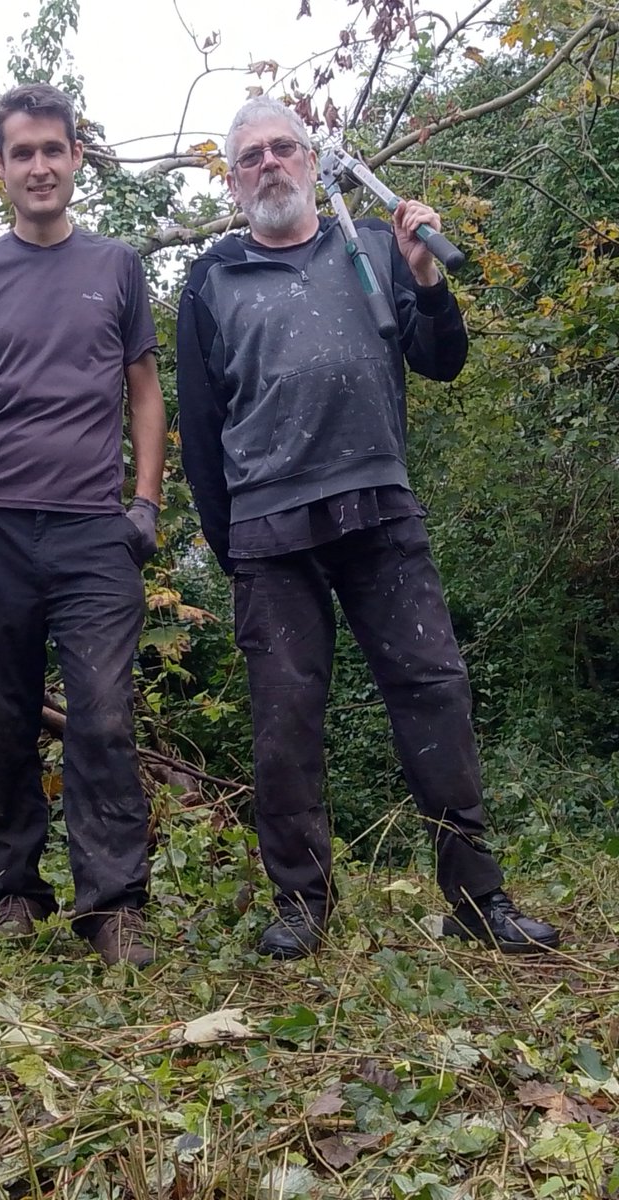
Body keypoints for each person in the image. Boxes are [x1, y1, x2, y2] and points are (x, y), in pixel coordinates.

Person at [176, 96, 559, 960]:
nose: (270, 164)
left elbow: (442, 359)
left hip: (379, 508)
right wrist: (228, 544)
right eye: (251, 157)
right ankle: (303, 905)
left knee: (434, 691)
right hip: (268, 527)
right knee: (284, 719)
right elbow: (201, 429)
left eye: (284, 149)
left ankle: (478, 900)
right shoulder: (211, 278)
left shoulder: (375, 245)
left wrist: (429, 276)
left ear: (312, 162)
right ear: (233, 182)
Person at [0, 83, 167, 968]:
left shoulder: (117, 266)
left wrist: (145, 502)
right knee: (4, 717)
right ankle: (16, 891)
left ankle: (113, 905)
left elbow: (143, 390)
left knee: (100, 716)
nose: (40, 166)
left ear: (76, 160)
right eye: (22, 153)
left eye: (53, 149)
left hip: (96, 526)